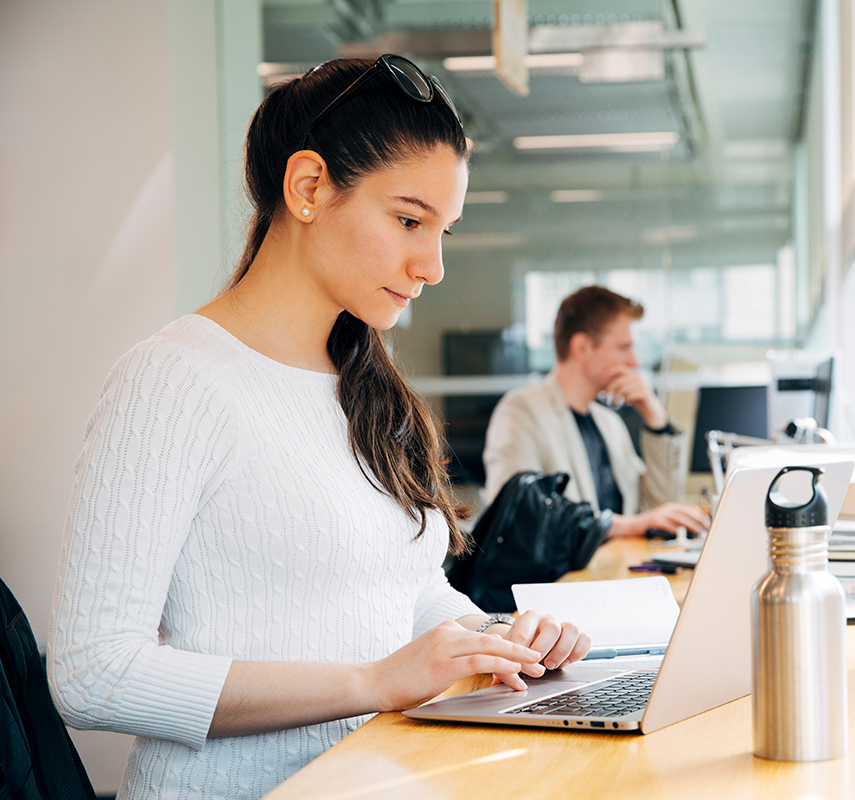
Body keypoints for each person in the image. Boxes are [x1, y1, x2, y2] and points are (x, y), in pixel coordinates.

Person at [47, 56, 589, 799]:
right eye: (408, 219)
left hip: (380, 780)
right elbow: (92, 675)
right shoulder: (172, 381)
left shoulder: (364, 385)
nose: (431, 265)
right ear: (308, 188)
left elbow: (400, 590)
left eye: (445, 232)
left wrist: (495, 638)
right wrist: (373, 681)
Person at [482, 286, 710, 538]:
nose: (633, 362)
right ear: (581, 347)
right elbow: (518, 517)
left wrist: (656, 419)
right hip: (562, 579)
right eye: (624, 347)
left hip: (616, 570)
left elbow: (656, 509)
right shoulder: (521, 411)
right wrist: (630, 525)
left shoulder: (608, 422)